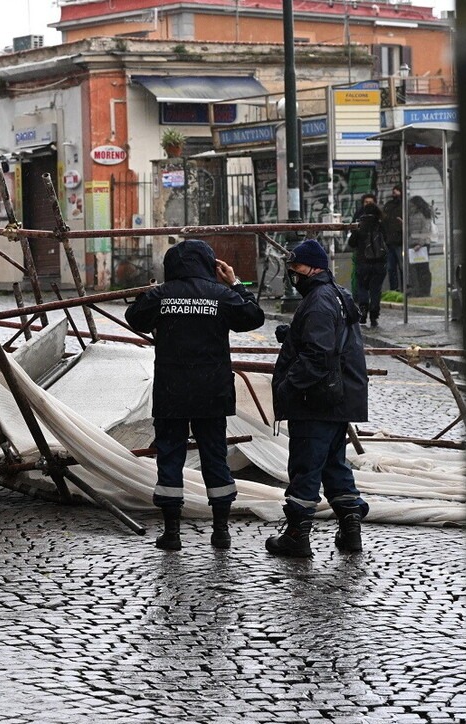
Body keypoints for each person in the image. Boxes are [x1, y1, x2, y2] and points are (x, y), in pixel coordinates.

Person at [125, 239, 265, 550]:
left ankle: (172, 532)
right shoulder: (222, 295)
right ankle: (221, 531)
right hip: (211, 392)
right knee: (215, 458)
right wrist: (236, 283)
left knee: (170, 457)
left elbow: (134, 318)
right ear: (209, 264)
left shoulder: (162, 295)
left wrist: (148, 294)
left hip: (171, 391)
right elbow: (254, 317)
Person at [267, 239, 369, 557]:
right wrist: (293, 336)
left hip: (317, 400)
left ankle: (297, 535)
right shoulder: (336, 294)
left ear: (314, 268)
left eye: (297, 269)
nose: (293, 275)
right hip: (337, 399)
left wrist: (288, 387)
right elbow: (330, 341)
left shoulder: (319, 301)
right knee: (333, 466)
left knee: (306, 466)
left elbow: (319, 355)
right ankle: (351, 530)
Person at [347, 193, 388, 328]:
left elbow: (352, 243)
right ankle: (374, 315)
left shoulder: (360, 226)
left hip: (363, 262)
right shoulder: (381, 225)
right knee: (376, 289)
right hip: (379, 263)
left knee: (362, 287)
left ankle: (363, 308)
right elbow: (387, 240)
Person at [407, 195, 434, 297]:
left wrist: (420, 243)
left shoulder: (424, 214)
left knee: (423, 268)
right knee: (414, 269)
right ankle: (417, 290)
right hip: (412, 244)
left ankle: (425, 291)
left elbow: (425, 230)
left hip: (422, 245)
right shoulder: (411, 214)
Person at [381, 185, 404, 291]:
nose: (394, 194)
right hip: (390, 242)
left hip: (400, 242)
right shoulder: (389, 206)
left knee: (402, 267)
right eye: (394, 192)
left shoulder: (404, 205)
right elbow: (384, 222)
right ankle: (394, 289)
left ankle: (404, 288)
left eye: (397, 192)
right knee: (391, 268)